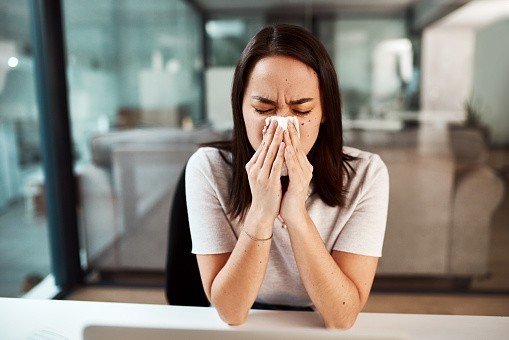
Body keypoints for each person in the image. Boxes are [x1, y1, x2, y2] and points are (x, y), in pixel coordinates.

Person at [185, 23, 389, 329]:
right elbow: (230, 312)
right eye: (263, 108)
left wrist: (295, 213)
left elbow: (342, 315)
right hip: (247, 318)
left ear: (325, 113)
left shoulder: (366, 174)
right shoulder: (208, 168)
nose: (280, 126)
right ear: (240, 109)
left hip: (315, 319)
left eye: (301, 109)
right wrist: (262, 212)